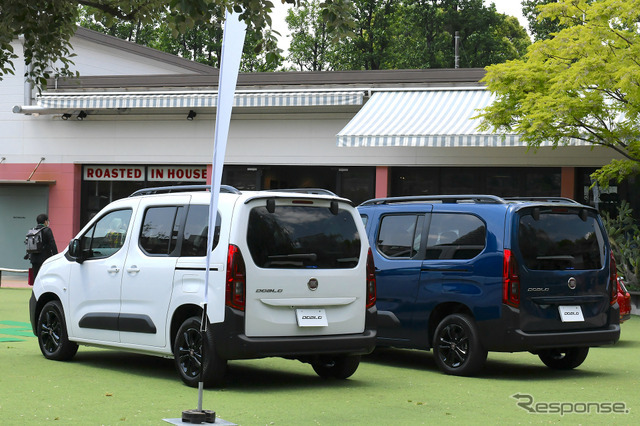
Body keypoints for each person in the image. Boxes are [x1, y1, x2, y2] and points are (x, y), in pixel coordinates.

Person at [26, 213, 58, 279]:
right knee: (45, 277)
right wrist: (56, 256)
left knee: (36, 277)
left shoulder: (33, 230)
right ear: (45, 221)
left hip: (34, 258)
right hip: (45, 258)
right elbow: (52, 244)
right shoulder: (47, 230)